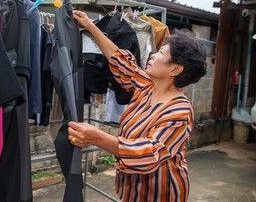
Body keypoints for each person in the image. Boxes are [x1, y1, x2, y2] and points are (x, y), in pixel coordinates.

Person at [69, 10, 207, 202]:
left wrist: (98, 138)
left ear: (175, 69)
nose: (152, 55)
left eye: (161, 53)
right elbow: (119, 59)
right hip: (132, 189)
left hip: (160, 194)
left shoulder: (180, 111)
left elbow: (149, 153)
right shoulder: (146, 86)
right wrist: (91, 26)